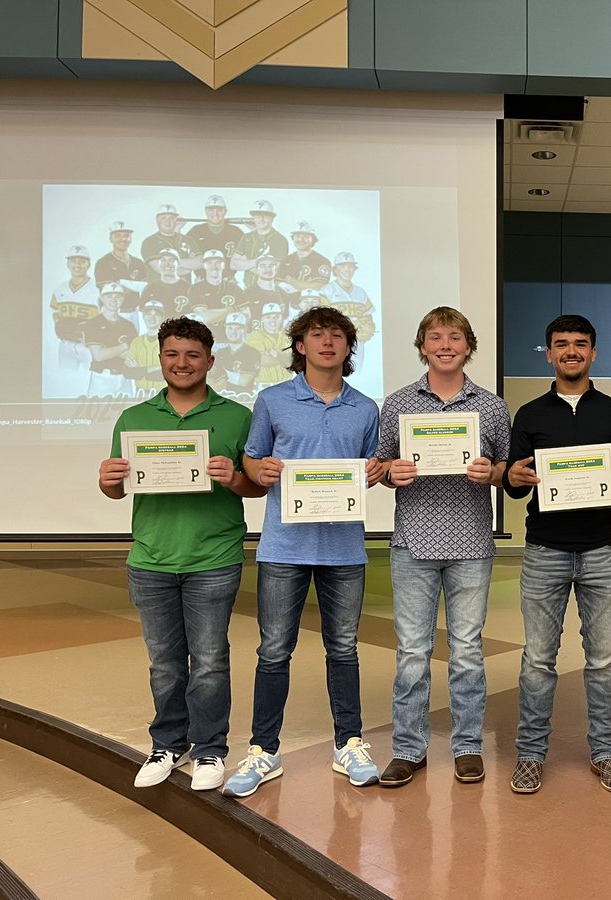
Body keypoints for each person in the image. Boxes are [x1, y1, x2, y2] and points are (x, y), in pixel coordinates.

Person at [97, 317, 265, 791]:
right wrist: (107, 481)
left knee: (210, 659)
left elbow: (255, 487)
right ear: (160, 359)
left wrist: (234, 478)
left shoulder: (237, 416)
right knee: (164, 662)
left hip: (214, 556)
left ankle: (210, 748)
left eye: (193, 355)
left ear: (210, 361)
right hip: (150, 557)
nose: (183, 363)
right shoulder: (134, 418)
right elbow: (116, 491)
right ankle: (168, 743)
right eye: (173, 354)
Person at [223, 306, 381, 797]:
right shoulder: (272, 399)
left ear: (349, 348)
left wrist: (374, 473)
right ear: (300, 346)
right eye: (318, 335)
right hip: (283, 547)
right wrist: (259, 468)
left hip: (344, 549)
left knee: (344, 649)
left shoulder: (365, 407)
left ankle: (349, 743)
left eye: (338, 336)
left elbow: (371, 464)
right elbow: (251, 458)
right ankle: (263, 751)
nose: (328, 343)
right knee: (273, 651)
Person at [503, 314, 611, 795]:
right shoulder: (528, 415)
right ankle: (530, 755)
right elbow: (515, 483)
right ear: (548, 353)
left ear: (593, 353)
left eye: (580, 344)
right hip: (544, 551)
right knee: (538, 660)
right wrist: (512, 478)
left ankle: (606, 754)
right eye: (561, 344)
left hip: (602, 552)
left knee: (605, 661)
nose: (571, 351)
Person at [368, 307, 510, 788]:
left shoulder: (491, 407)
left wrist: (491, 472)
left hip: (471, 541)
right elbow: (382, 465)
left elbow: (508, 471)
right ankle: (409, 749)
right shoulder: (398, 403)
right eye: (435, 337)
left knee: (468, 651)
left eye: (455, 337)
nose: (445, 344)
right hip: (414, 541)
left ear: (469, 346)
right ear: (422, 346)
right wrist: (391, 473)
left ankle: (468, 745)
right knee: (412, 652)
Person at [49, 244, 99, 382]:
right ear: (67, 264)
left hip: (88, 346)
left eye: (82, 261)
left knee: (89, 382)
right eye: (73, 261)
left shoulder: (97, 289)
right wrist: (61, 327)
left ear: (88, 264)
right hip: (65, 345)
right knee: (66, 383)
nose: (77, 265)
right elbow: (54, 312)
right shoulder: (59, 289)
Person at [84, 282, 137, 397]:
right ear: (102, 298)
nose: (114, 300)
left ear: (122, 299)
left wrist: (107, 349)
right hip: (102, 378)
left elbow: (132, 356)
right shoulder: (93, 323)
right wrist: (125, 346)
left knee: (127, 414)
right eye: (109, 296)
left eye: (117, 296)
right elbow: (98, 356)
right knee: (98, 414)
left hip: (125, 378)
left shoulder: (129, 325)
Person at [322, 251, 377, 343]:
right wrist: (350, 325)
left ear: (354, 269)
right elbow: (322, 320)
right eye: (342, 266)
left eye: (350, 266)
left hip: (357, 340)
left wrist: (368, 327)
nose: (347, 269)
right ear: (335, 270)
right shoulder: (326, 291)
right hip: (335, 341)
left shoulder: (361, 292)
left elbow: (368, 317)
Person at [232, 200, 288, 288]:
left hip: (270, 289)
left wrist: (244, 263)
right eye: (258, 216)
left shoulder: (279, 240)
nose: (261, 219)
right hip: (248, 288)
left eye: (265, 216)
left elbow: (270, 273)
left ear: (272, 218)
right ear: (253, 218)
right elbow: (233, 264)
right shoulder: (247, 237)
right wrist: (256, 262)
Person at [94, 220, 147, 309]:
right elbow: (110, 291)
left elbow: (145, 288)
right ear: (111, 238)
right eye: (118, 235)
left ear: (131, 238)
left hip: (136, 311)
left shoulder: (139, 263)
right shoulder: (103, 263)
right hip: (113, 312)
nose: (123, 239)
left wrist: (121, 284)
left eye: (126, 236)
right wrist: (135, 287)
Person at [124, 299, 168, 396]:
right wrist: (155, 368)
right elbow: (128, 373)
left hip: (164, 394)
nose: (152, 318)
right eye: (148, 314)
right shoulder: (136, 342)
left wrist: (139, 370)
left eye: (156, 314)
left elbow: (168, 373)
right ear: (143, 316)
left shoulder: (170, 342)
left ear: (163, 317)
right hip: (140, 393)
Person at [188, 249, 242, 327]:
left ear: (224, 265)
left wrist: (214, 314)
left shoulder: (233, 288)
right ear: (204, 265)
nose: (214, 267)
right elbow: (204, 317)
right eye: (209, 263)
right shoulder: (196, 288)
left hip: (229, 335)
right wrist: (231, 310)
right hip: (205, 335)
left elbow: (246, 315)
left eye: (218, 262)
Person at [141, 203, 195, 280]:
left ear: (176, 220)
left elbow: (199, 263)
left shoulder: (188, 240)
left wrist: (178, 228)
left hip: (184, 289)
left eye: (171, 218)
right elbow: (161, 269)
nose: (167, 221)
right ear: (157, 220)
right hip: (159, 289)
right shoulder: (149, 242)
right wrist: (190, 266)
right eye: (163, 218)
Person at [247, 302, 291, 389]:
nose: (273, 321)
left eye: (276, 317)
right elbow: (261, 361)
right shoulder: (255, 336)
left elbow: (294, 360)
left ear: (281, 319)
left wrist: (275, 355)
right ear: (262, 320)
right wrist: (285, 358)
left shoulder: (287, 337)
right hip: (263, 386)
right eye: (268, 317)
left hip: (286, 386)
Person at [186, 194, 243, 261]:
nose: (215, 213)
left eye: (219, 210)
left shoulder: (235, 231)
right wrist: (178, 229)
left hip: (230, 271)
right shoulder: (196, 231)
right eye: (211, 209)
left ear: (225, 211)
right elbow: (179, 252)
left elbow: (249, 254)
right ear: (205, 211)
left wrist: (255, 229)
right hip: (203, 271)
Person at [280, 221, 332, 292]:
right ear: (293, 238)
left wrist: (290, 280)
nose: (301, 239)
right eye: (298, 236)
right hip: (287, 301)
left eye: (306, 237)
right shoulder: (286, 260)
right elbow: (276, 283)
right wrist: (306, 285)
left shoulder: (322, 261)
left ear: (313, 239)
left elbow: (319, 287)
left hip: (312, 302)